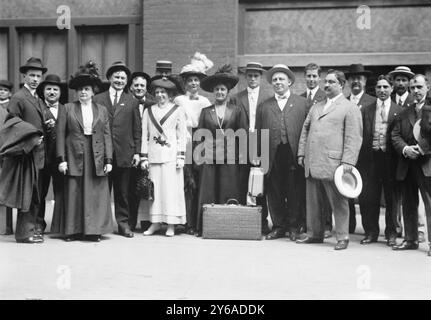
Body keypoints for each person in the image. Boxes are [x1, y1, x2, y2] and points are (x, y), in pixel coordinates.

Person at [297, 69, 363, 250]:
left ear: (341, 85)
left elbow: (354, 137)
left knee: (338, 201)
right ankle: (314, 234)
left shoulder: (350, 108)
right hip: (312, 161)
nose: (326, 85)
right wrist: (301, 153)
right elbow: (305, 130)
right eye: (325, 81)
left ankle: (342, 237)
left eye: (331, 82)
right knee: (314, 201)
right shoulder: (317, 106)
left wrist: (348, 162)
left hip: (334, 164)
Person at [52, 61, 114, 242]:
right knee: (74, 192)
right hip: (74, 154)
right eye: (80, 90)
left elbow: (107, 136)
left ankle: (94, 231)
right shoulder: (67, 108)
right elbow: (61, 134)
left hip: (96, 155)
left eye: (86, 89)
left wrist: (109, 159)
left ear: (93, 91)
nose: (83, 92)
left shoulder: (101, 110)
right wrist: (61, 159)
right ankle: (72, 231)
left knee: (95, 193)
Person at [255, 64, 307, 241]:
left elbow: (307, 131)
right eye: (275, 80)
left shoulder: (302, 103)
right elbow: (258, 132)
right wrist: (258, 157)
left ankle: (294, 226)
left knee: (294, 190)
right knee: (274, 191)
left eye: (281, 79)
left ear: (290, 82)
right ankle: (278, 226)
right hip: (272, 154)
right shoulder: (264, 106)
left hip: (293, 153)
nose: (278, 82)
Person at [195, 64, 247, 236]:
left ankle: (228, 227)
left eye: (222, 89)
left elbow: (243, 135)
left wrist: (243, 156)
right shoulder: (205, 112)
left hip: (230, 157)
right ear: (213, 92)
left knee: (228, 190)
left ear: (228, 92)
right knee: (208, 191)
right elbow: (199, 138)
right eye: (217, 89)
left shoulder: (236, 111)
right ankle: (205, 226)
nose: (219, 92)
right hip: (209, 157)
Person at [93, 61, 141, 238]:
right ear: (110, 78)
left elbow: (137, 128)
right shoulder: (98, 99)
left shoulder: (132, 101)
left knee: (122, 192)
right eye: (116, 77)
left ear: (126, 80)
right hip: (102, 154)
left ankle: (123, 225)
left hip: (124, 153)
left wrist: (136, 152)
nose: (120, 80)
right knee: (101, 191)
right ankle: (98, 226)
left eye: (123, 78)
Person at [357, 75, 402, 246]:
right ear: (374, 90)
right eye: (379, 87)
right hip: (370, 159)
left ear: (391, 89)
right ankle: (371, 232)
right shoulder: (366, 110)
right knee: (369, 196)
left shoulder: (399, 110)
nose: (382, 90)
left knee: (391, 198)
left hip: (391, 160)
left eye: (385, 87)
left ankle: (391, 233)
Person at [7, 57, 48, 243]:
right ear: (24, 75)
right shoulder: (18, 97)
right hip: (25, 153)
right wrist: (31, 138)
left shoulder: (36, 97)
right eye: (31, 75)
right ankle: (24, 234)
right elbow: (11, 125)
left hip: (37, 153)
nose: (34, 79)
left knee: (35, 194)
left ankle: (31, 229)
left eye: (38, 76)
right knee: (27, 194)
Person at [140, 75, 187, 237]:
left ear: (170, 94)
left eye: (163, 92)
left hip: (171, 157)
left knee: (171, 191)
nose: (160, 95)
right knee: (155, 192)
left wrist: (181, 156)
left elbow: (181, 135)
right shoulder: (149, 111)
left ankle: (171, 224)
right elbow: (144, 136)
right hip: (153, 156)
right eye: (157, 92)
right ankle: (155, 223)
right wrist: (144, 157)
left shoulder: (178, 110)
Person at [391, 74, 431, 256]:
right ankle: (411, 239)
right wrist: (406, 149)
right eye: (413, 87)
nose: (416, 91)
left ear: (427, 87)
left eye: (419, 87)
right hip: (408, 164)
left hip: (427, 164)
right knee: (408, 203)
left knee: (429, 203)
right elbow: (395, 135)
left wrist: (421, 149)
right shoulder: (404, 112)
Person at [175, 52, 212, 235]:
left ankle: (197, 222)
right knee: (185, 181)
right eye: (190, 80)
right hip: (184, 139)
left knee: (198, 181)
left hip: (200, 140)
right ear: (185, 82)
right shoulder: (179, 100)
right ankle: (184, 221)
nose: (194, 84)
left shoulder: (205, 101)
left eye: (196, 80)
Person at [233, 62, 272, 235]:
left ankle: (262, 221)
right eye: (250, 75)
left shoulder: (268, 97)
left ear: (260, 77)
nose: (253, 79)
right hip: (242, 144)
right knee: (242, 182)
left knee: (260, 184)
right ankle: (244, 220)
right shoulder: (236, 97)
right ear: (245, 77)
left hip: (261, 143)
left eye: (256, 76)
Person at [299, 63, 331, 238]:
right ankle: (308, 223)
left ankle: (326, 225)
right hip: (307, 149)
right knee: (308, 189)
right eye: (308, 76)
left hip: (322, 149)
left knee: (324, 189)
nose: (311, 79)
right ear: (305, 77)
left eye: (314, 76)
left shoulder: (325, 96)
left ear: (319, 78)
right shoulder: (300, 97)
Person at [345, 63, 376, 234]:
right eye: (353, 78)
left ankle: (370, 230)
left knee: (367, 194)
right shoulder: (342, 102)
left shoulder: (372, 102)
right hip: (347, 156)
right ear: (348, 81)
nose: (356, 81)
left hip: (366, 157)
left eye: (359, 78)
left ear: (365, 81)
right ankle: (348, 227)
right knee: (346, 190)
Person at [35, 74, 64, 233]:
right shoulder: (38, 107)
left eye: (55, 89)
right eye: (48, 89)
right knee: (40, 192)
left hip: (60, 159)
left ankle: (59, 225)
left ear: (60, 92)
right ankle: (39, 223)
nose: (52, 92)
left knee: (61, 192)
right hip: (43, 157)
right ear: (43, 91)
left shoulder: (66, 108)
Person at [128, 71, 155, 231]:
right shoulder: (125, 102)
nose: (139, 88)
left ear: (146, 88)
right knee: (131, 188)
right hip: (131, 152)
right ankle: (130, 222)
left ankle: (147, 222)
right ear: (131, 87)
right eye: (136, 85)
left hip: (149, 152)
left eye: (142, 86)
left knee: (148, 186)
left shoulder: (153, 104)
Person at [0, 80, 14, 235]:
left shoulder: (12, 107)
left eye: (4, 90)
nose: (1, 92)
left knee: (7, 188)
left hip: (8, 151)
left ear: (10, 93)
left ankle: (7, 226)